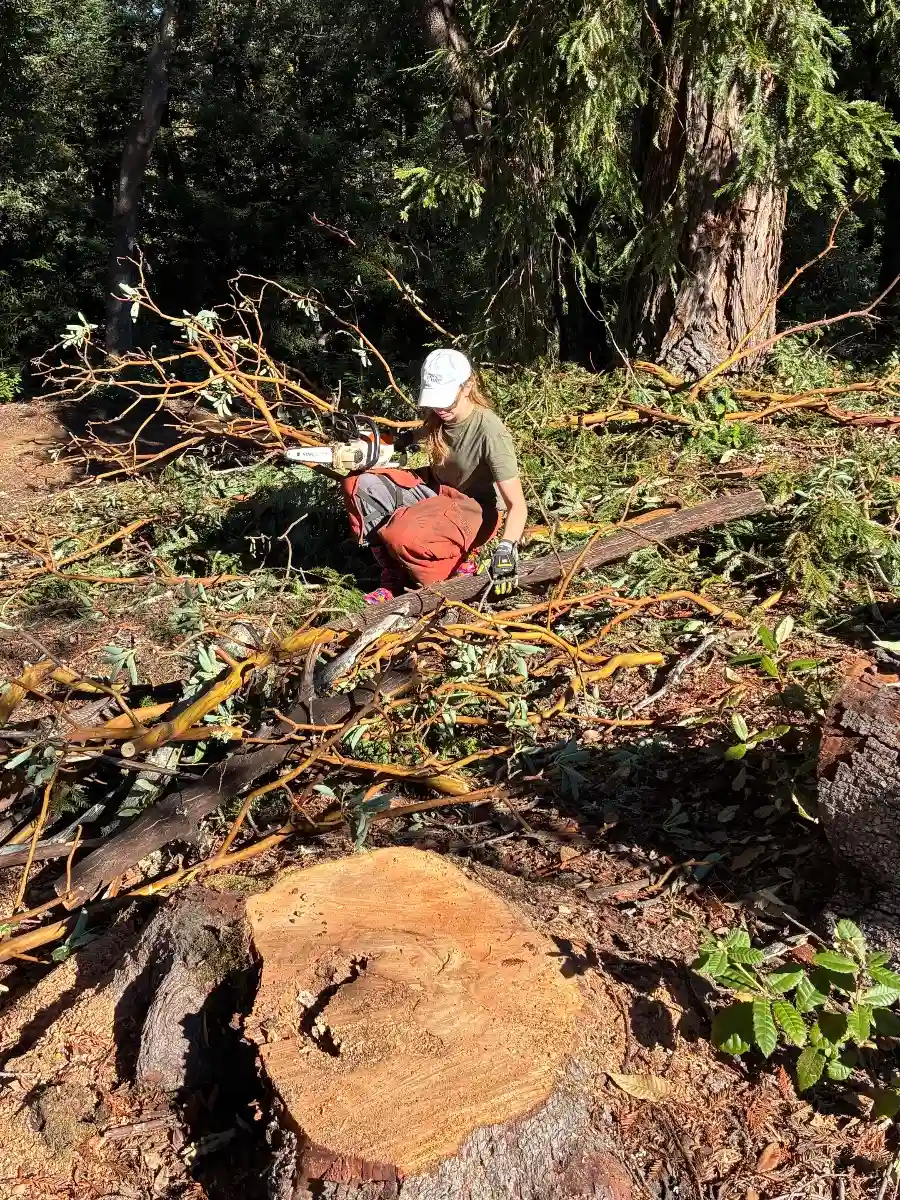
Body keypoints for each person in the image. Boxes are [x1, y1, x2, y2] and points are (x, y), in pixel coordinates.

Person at [341, 348, 528, 604]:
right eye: (436, 402)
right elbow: (415, 435)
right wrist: (383, 446)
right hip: (437, 492)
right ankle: (393, 576)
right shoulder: (439, 418)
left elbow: (517, 505)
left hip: (473, 509)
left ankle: (455, 566)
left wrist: (507, 548)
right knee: (360, 483)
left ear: (467, 386)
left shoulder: (489, 429)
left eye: (446, 401)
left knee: (402, 535)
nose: (440, 408)